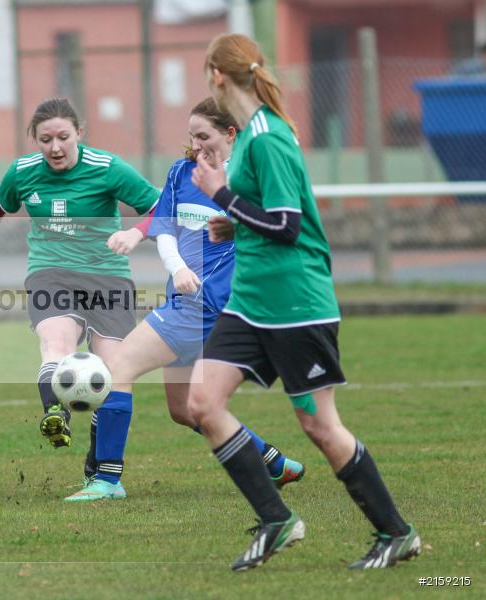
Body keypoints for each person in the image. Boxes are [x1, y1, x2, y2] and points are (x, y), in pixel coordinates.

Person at [186, 33, 419, 571]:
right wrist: (233, 219)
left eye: (206, 75)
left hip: (295, 305)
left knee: (319, 427)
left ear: (218, 76)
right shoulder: (247, 136)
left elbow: (289, 228)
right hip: (252, 301)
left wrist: (222, 196)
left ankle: (396, 533)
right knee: (202, 403)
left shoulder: (268, 137)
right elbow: (263, 214)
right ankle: (277, 520)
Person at [65, 98, 305, 502]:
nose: (195, 144)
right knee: (186, 409)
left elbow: (281, 232)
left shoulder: (248, 182)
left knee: (116, 367)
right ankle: (272, 461)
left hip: (211, 307)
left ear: (231, 134)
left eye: (204, 136)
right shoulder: (182, 172)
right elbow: (166, 228)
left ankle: (106, 479)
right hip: (184, 300)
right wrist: (174, 266)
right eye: (191, 136)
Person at [0, 97, 158, 452]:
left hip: (107, 276)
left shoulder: (107, 168)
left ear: (79, 132)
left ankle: (100, 468)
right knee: (55, 344)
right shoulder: (23, 171)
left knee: (110, 374)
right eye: (45, 140)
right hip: (50, 273)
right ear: (35, 139)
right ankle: (55, 412)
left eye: (63, 137)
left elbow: (159, 207)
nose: (55, 147)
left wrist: (135, 232)